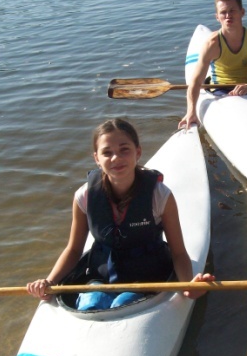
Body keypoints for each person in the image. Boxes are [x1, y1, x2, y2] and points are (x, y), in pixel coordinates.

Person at [27, 118, 214, 310]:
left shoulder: (159, 195)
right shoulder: (84, 196)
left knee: (122, 303)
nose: (116, 158)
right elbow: (74, 250)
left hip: (147, 277)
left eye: (124, 149)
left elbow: (179, 252)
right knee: (93, 303)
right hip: (101, 275)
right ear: (96, 159)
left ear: (138, 152)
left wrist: (187, 287)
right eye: (107, 153)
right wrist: (48, 282)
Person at [179, 0, 247, 129]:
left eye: (232, 10)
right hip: (220, 90)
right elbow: (196, 82)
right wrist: (191, 111)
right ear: (217, 17)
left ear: (242, 12)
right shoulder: (212, 44)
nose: (228, 16)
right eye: (223, 12)